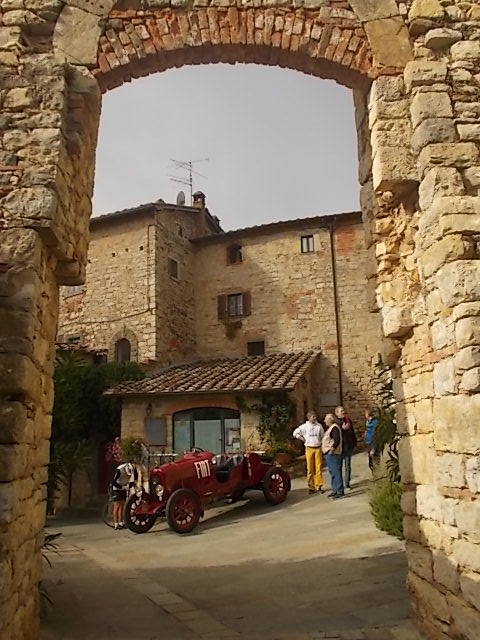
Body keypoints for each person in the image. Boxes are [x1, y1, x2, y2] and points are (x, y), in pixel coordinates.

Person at [293, 411, 325, 494]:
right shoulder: (304, 427)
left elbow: (322, 436)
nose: (315, 418)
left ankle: (319, 485)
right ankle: (311, 486)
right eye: (313, 417)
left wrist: (322, 444)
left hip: (317, 447)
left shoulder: (319, 426)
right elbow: (295, 433)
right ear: (309, 418)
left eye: (315, 416)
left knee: (318, 467)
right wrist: (302, 438)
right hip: (309, 448)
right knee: (310, 468)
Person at [335, 405, 357, 491]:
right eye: (341, 411)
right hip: (340, 448)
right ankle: (339, 485)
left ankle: (347, 484)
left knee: (348, 466)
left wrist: (354, 442)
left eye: (343, 410)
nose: (343, 412)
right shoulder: (335, 422)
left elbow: (352, 432)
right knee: (339, 467)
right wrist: (342, 429)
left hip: (348, 446)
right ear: (337, 413)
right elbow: (334, 434)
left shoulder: (348, 420)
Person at [322, 413, 344, 499]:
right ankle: (335, 490)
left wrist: (332, 449)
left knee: (336, 472)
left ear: (330, 420)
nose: (324, 421)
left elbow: (337, 440)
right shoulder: (331, 428)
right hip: (329, 454)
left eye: (326, 419)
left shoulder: (334, 428)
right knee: (332, 472)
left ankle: (339, 491)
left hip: (333, 454)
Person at [111, 461, 134, 530]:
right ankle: (116, 523)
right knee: (117, 505)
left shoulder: (132, 468)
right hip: (117, 488)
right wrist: (121, 487)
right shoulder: (119, 470)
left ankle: (121, 522)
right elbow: (113, 482)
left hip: (123, 488)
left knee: (122, 505)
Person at [364, 408, 380, 473]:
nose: (365, 415)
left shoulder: (374, 422)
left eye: (365, 413)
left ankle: (377, 474)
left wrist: (373, 448)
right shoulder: (368, 421)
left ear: (368, 414)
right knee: (371, 462)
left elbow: (375, 435)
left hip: (373, 443)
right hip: (369, 443)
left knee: (375, 461)